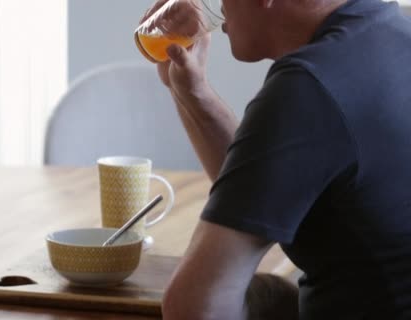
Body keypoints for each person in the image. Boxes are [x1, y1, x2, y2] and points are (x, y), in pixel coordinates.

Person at [139, 0, 411, 319]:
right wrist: (189, 90)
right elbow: (257, 194)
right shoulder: (389, 33)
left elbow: (196, 306)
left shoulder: (308, 85)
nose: (219, 5)